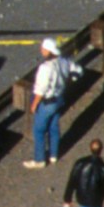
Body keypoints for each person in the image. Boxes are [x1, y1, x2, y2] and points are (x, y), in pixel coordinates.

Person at [25, 39, 77, 168]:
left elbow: (40, 90)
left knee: (39, 130)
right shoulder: (64, 61)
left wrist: (34, 105)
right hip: (59, 99)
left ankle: (40, 160)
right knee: (54, 127)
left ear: (49, 51)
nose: (41, 50)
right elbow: (77, 71)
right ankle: (54, 155)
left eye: (43, 48)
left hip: (47, 103)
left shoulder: (45, 68)